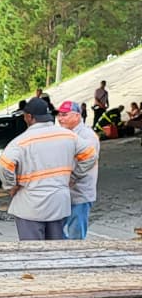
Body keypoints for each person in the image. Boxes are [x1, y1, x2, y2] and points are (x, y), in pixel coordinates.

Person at [0, 99, 96, 241]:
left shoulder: (21, 142)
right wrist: (73, 176)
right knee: (54, 250)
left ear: (29, 117)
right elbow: (91, 155)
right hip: (58, 204)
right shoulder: (68, 136)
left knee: (33, 254)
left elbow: (5, 165)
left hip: (30, 206)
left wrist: (10, 186)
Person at [56, 101, 100, 240]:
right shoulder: (62, 134)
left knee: (76, 235)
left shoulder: (87, 136)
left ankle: (76, 258)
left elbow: (88, 160)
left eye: (64, 115)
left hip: (80, 192)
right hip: (63, 193)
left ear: (76, 116)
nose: (60, 118)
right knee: (53, 231)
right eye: (59, 115)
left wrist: (72, 178)